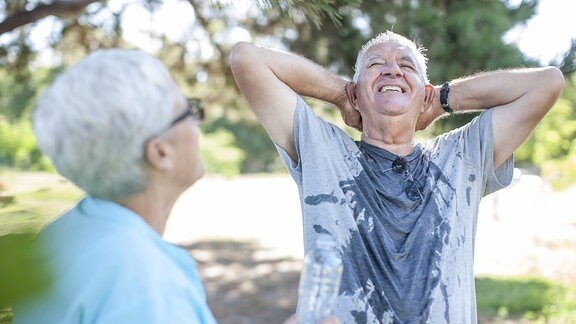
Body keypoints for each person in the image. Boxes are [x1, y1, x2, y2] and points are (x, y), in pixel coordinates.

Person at [229, 31, 564, 323]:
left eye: (407, 66)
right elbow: (247, 58)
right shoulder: (323, 151)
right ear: (356, 93)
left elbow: (547, 82)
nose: (392, 69)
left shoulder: (461, 157)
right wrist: (341, 95)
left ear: (425, 93)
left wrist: (443, 100)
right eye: (376, 65)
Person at [12, 49, 216, 323]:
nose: (197, 123)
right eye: (188, 112)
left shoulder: (59, 235)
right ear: (160, 152)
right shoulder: (148, 287)